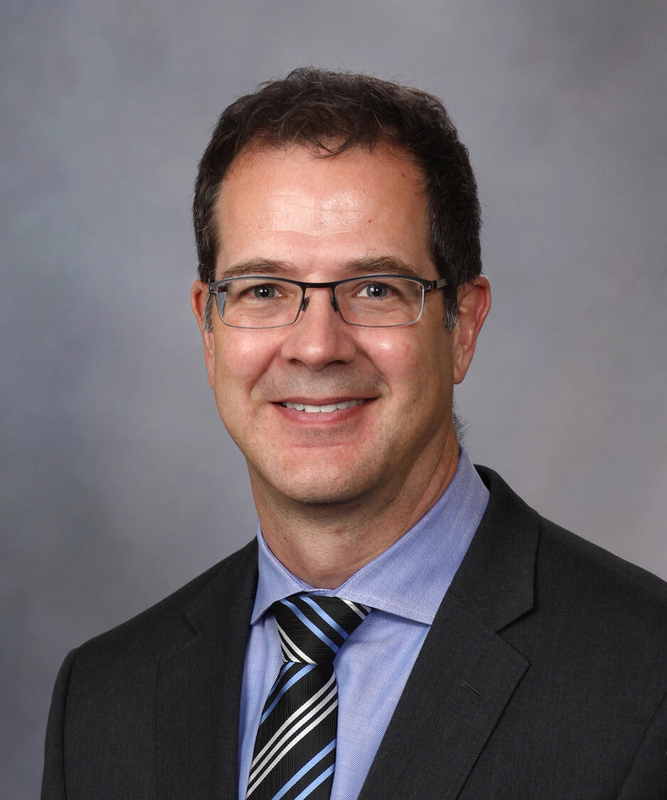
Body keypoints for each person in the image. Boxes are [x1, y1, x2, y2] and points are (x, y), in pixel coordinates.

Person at [42, 68, 667, 800]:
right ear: (209, 331)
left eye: (375, 289)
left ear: (462, 326)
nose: (315, 347)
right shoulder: (102, 700)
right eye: (263, 290)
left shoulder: (645, 679)